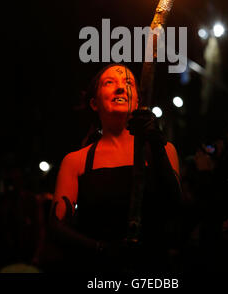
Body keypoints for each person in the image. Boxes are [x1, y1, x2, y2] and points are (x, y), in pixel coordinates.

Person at [46, 64, 181, 275]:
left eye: (128, 83)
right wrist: (101, 249)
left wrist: (155, 145)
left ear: (138, 100)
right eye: (110, 83)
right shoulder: (76, 161)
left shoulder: (164, 150)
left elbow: (176, 209)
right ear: (93, 103)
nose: (120, 88)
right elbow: (56, 227)